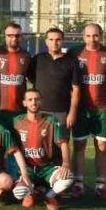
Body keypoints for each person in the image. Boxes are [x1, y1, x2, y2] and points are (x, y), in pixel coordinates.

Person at [29, 27, 81, 193]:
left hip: (61, 111)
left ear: (62, 41)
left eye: (58, 39)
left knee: (61, 147)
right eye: (51, 39)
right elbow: (31, 79)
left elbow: (76, 90)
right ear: (46, 42)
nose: (54, 42)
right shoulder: (38, 59)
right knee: (39, 146)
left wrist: (72, 112)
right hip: (40, 112)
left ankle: (60, 184)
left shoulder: (71, 61)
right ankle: (39, 183)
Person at [73, 23, 106, 200]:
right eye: (89, 36)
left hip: (102, 109)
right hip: (81, 109)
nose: (92, 39)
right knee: (79, 146)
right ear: (83, 37)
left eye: (96, 35)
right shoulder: (74, 53)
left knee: (102, 147)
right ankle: (78, 184)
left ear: (101, 35)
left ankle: (101, 184)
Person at [9, 89, 74, 210]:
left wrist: (66, 164)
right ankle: (31, 193)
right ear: (24, 103)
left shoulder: (51, 120)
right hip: (27, 168)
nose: (34, 102)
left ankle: (47, 196)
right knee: (19, 192)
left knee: (68, 177)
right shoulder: (16, 121)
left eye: (37, 99)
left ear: (41, 102)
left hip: (46, 167)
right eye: (30, 100)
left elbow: (63, 143)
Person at [0, 21, 32, 127]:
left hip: (20, 109)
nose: (13, 38)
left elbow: (31, 77)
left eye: (17, 36)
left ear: (21, 37)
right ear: (5, 36)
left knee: (18, 141)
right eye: (9, 35)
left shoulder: (26, 55)